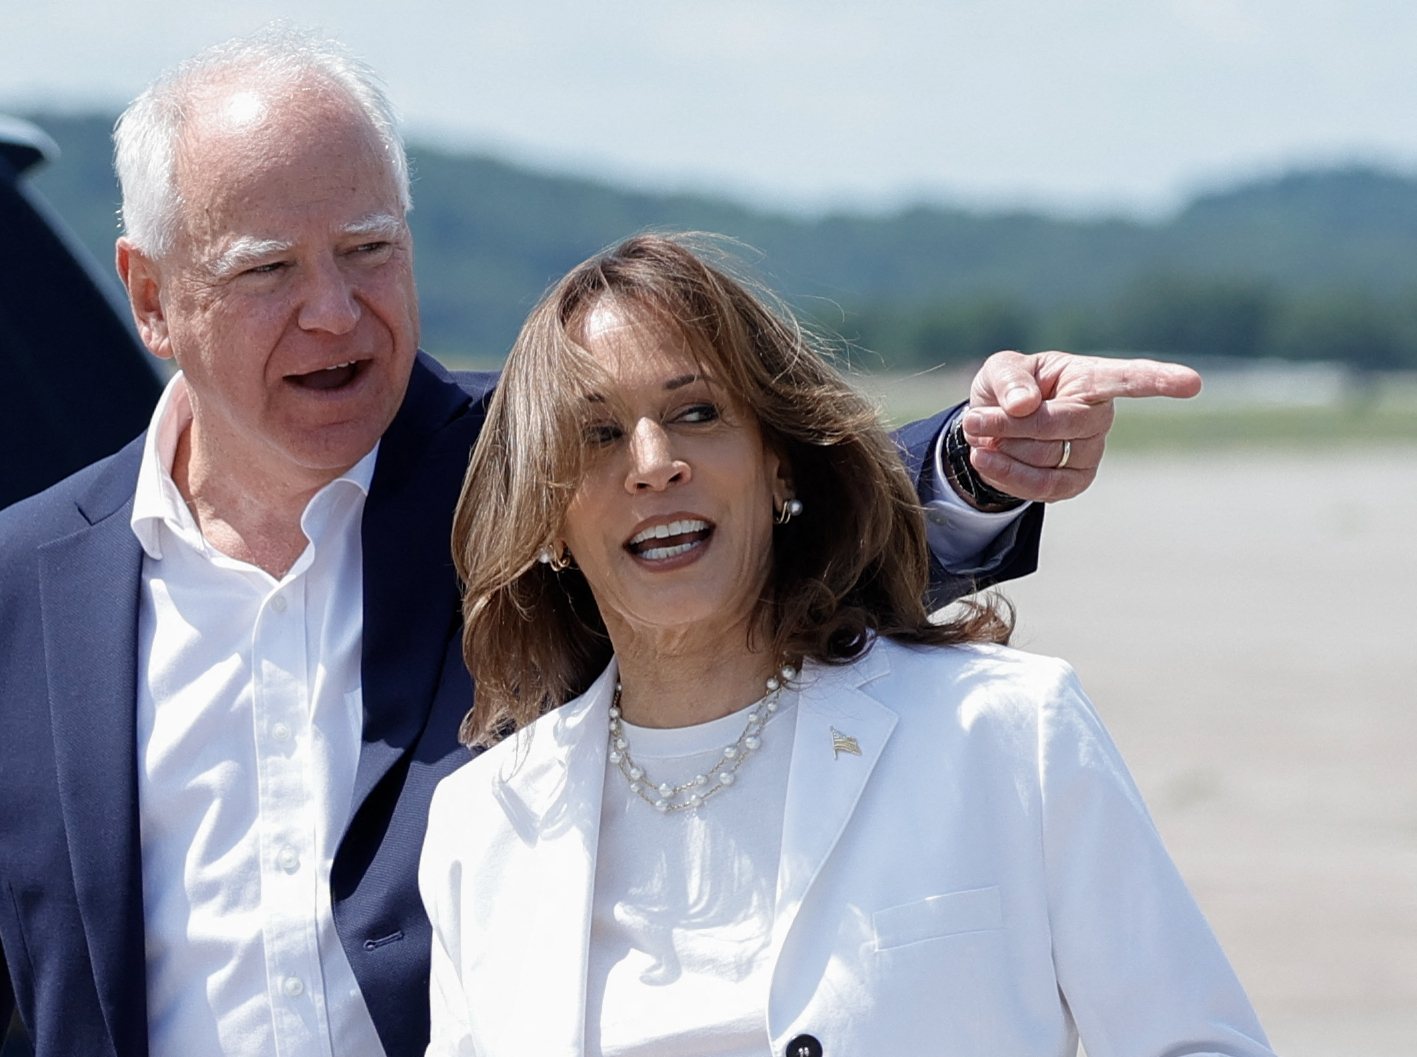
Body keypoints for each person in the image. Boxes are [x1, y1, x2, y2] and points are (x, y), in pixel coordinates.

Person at [0, 26, 1199, 1057]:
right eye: (267, 271)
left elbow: (741, 494)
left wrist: (973, 455)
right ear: (151, 296)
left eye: (368, 249)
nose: (336, 313)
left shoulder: (538, 459)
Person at [420, 234, 1272, 1056]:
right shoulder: (480, 824)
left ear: (778, 463)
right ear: (548, 514)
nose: (653, 463)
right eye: (596, 434)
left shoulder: (1007, 730)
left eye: (697, 412)